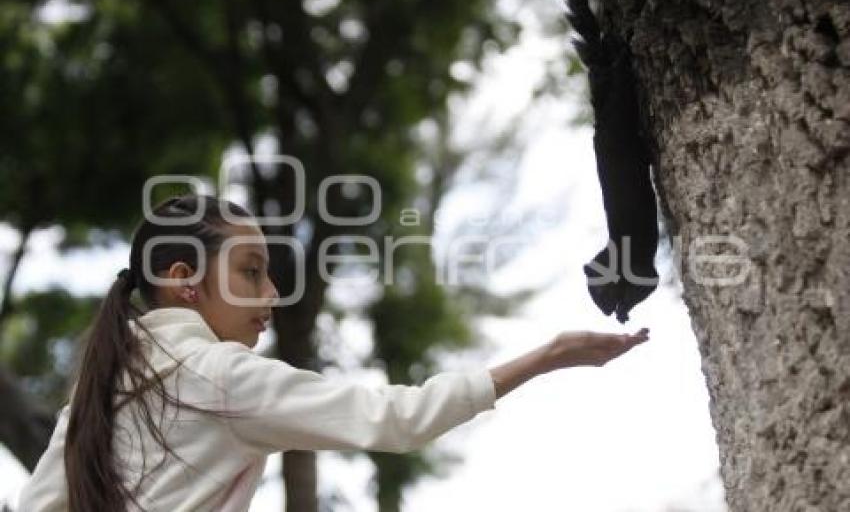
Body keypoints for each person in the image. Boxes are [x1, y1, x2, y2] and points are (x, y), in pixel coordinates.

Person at [17, 193, 650, 512]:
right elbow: (396, 419)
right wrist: (543, 358)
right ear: (184, 278)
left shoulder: (101, 388)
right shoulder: (219, 375)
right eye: (251, 271)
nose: (270, 294)